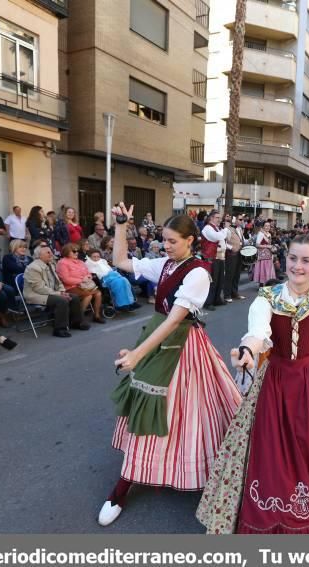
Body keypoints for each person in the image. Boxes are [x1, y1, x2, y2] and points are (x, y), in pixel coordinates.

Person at [196, 213, 309, 534]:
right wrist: (249, 352)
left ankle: (306, 498)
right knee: (272, 450)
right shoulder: (268, 297)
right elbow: (257, 330)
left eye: (306, 260)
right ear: (284, 259)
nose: (298, 265)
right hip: (276, 383)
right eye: (293, 258)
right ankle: (275, 507)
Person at [97, 204, 242, 527]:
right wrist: (121, 226)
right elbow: (121, 261)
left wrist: (138, 354)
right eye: (164, 240)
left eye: (172, 241)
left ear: (190, 240)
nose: (166, 245)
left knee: (186, 409)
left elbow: (177, 318)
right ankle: (127, 483)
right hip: (157, 339)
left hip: (182, 345)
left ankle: (126, 488)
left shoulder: (198, 273)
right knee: (158, 407)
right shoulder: (165, 264)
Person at [23, 244, 89, 338]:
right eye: (48, 252)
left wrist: (62, 291)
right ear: (39, 255)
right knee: (61, 300)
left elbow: (58, 282)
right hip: (35, 294)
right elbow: (39, 288)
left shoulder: (51, 264)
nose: (51, 254)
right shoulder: (33, 268)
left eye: (51, 252)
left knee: (73, 297)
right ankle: (59, 329)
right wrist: (59, 294)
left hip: (50, 292)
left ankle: (76, 323)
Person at [56, 243, 104, 324]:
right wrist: (82, 280)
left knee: (98, 293)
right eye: (74, 251)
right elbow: (65, 279)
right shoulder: (62, 263)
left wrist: (89, 277)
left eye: (77, 251)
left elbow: (88, 273)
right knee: (88, 295)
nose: (76, 253)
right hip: (70, 287)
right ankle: (78, 318)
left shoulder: (80, 262)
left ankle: (97, 316)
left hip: (85, 286)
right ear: (67, 252)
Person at [200, 210, 228, 310]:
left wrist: (228, 246)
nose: (219, 220)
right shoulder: (208, 228)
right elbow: (218, 237)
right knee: (212, 281)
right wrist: (226, 229)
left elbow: (221, 240)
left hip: (219, 257)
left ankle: (216, 299)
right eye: (217, 218)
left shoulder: (216, 228)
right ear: (211, 218)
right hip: (211, 257)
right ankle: (208, 302)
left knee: (220, 280)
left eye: (220, 218)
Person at [223, 214, 245, 303]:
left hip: (239, 253)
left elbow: (240, 240)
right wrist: (231, 247)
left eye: (242, 219)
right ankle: (227, 295)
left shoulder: (240, 229)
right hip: (231, 254)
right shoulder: (227, 229)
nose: (242, 221)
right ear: (234, 220)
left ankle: (234, 293)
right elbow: (223, 242)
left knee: (237, 274)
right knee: (229, 274)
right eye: (240, 219)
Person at [251, 222, 276, 286]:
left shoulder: (269, 234)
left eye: (269, 226)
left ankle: (267, 284)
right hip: (262, 256)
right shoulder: (261, 234)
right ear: (263, 227)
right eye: (266, 226)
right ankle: (262, 285)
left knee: (268, 270)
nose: (267, 227)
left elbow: (269, 244)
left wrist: (272, 248)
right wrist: (267, 246)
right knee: (263, 270)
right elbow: (257, 245)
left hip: (269, 255)